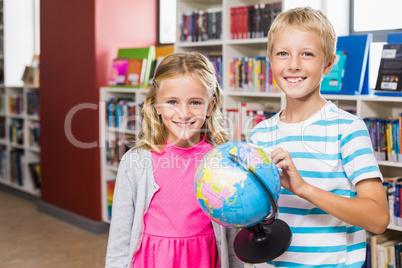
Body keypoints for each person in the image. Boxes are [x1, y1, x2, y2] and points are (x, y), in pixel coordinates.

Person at [248, 7, 390, 267]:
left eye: (307, 54)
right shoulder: (260, 135)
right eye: (282, 53)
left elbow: (378, 219)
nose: (293, 64)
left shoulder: (347, 129)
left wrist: (304, 189)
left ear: (328, 63)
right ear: (270, 60)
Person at [105, 52, 242, 268]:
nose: (184, 113)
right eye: (172, 102)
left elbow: (231, 239)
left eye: (195, 102)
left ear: (210, 106)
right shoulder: (135, 162)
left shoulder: (221, 162)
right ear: (156, 106)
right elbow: (119, 240)